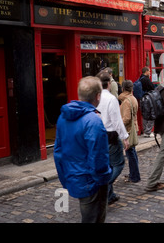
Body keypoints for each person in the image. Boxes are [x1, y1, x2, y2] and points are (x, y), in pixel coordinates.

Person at [54, 76, 112, 223]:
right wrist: (103, 178)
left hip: (74, 176)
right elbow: (98, 157)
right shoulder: (93, 121)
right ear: (98, 96)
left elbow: (58, 152)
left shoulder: (63, 117)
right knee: (93, 218)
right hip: (91, 181)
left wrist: (64, 177)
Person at [96, 71, 129, 205]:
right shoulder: (111, 99)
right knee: (119, 164)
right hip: (111, 135)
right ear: (109, 83)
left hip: (99, 134)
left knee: (108, 165)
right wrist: (125, 137)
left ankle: (110, 195)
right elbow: (117, 121)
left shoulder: (95, 97)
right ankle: (104, 187)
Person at [118, 80, 141, 183]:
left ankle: (135, 176)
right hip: (133, 128)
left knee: (130, 154)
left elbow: (126, 118)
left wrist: (119, 126)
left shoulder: (127, 101)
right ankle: (133, 174)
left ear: (123, 89)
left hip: (128, 130)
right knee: (132, 153)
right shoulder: (133, 98)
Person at [138, 67, 156, 138]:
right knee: (152, 114)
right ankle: (148, 132)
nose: (150, 72)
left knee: (144, 114)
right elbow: (152, 88)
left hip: (142, 99)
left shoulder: (140, 78)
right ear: (146, 72)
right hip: (148, 99)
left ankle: (145, 131)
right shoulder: (146, 79)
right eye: (149, 71)